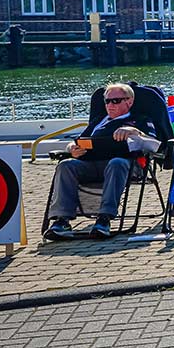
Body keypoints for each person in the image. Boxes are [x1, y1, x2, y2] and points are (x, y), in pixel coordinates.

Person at [44, 82, 157, 240]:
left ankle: (104, 219)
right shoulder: (99, 121)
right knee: (66, 165)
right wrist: (71, 149)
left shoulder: (140, 120)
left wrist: (135, 132)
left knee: (116, 163)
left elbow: (154, 144)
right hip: (93, 164)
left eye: (115, 101)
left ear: (129, 101)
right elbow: (77, 141)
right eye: (107, 101)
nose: (110, 105)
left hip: (126, 165)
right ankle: (62, 220)